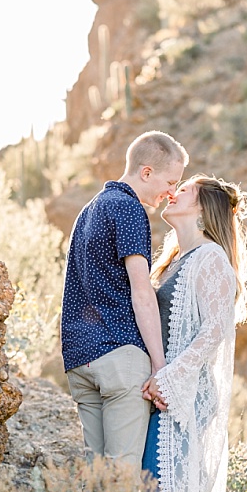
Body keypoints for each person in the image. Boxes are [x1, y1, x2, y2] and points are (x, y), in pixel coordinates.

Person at [140, 174, 247, 492]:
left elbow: (216, 328)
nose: (173, 192)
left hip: (186, 394)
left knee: (162, 483)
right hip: (167, 388)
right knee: (161, 484)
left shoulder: (211, 259)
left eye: (183, 190)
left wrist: (172, 376)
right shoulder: (173, 260)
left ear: (202, 207)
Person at [61, 131, 187, 464]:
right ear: (146, 172)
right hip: (120, 356)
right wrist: (160, 368)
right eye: (171, 182)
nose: (172, 193)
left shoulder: (89, 210)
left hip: (79, 359)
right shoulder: (129, 209)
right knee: (120, 480)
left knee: (100, 480)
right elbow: (141, 292)